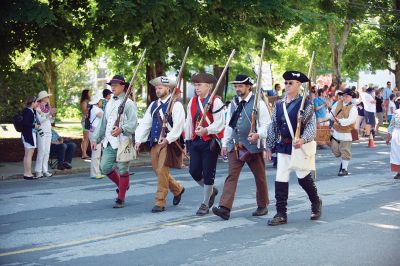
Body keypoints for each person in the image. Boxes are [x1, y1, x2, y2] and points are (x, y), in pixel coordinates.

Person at [265, 71, 322, 226]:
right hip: (283, 146)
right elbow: (273, 127)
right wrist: (269, 146)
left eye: (291, 83)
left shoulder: (306, 104)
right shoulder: (278, 104)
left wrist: (303, 139)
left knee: (304, 179)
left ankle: (316, 203)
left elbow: (311, 126)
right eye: (286, 83)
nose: (287, 85)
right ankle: (281, 213)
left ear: (299, 85)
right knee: (280, 179)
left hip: (298, 147)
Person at [212, 74, 270, 220]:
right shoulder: (234, 103)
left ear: (248, 86)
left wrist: (258, 134)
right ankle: (224, 208)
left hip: (252, 146)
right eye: (236, 86)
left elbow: (266, 125)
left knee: (260, 177)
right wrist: (225, 143)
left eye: (241, 86)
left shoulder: (258, 103)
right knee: (232, 176)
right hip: (236, 146)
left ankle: (262, 205)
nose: (238, 89)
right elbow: (229, 125)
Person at [135, 76, 185, 213]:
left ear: (168, 89)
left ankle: (160, 201)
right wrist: (138, 139)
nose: (158, 90)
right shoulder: (153, 105)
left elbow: (179, 126)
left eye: (160, 87)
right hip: (154, 142)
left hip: (168, 143)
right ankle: (178, 189)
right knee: (158, 171)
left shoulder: (176, 104)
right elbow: (145, 123)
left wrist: (169, 138)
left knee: (162, 170)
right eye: (156, 88)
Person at [91, 75, 138, 208]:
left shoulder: (129, 104)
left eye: (116, 85)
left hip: (123, 141)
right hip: (109, 141)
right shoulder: (110, 102)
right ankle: (122, 185)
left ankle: (121, 198)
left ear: (123, 87)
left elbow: (133, 124)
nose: (113, 87)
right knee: (104, 167)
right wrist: (96, 138)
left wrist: (122, 129)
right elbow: (103, 123)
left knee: (123, 170)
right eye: (112, 85)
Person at [184, 73, 225, 215]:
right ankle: (211, 191)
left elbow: (220, 123)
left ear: (209, 86)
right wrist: (187, 140)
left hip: (210, 142)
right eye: (195, 85)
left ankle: (205, 203)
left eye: (199, 85)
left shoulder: (216, 101)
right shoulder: (192, 101)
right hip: (196, 141)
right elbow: (188, 121)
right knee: (194, 171)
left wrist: (207, 130)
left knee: (208, 173)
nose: (196, 88)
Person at [329, 89, 358, 176]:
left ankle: (344, 169)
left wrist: (340, 121)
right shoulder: (338, 103)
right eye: (343, 96)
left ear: (350, 97)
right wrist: (329, 118)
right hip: (336, 132)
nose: (344, 97)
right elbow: (332, 114)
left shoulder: (353, 108)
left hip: (347, 133)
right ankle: (343, 164)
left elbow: (351, 120)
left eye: (347, 96)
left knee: (345, 151)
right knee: (335, 151)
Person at [35, 91, 55, 178]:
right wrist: (49, 114)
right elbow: (40, 120)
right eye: (47, 97)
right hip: (41, 131)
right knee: (41, 151)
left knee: (47, 152)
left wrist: (52, 115)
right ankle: (38, 171)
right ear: (42, 98)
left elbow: (51, 121)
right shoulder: (38, 108)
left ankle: (45, 170)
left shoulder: (47, 108)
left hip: (48, 131)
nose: (48, 98)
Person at [22, 96, 40, 180]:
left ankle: (27, 173)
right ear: (32, 103)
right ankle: (28, 173)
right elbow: (25, 124)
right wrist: (34, 125)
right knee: (29, 153)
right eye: (36, 102)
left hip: (30, 134)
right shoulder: (27, 111)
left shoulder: (32, 111)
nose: (38, 103)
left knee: (28, 154)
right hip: (28, 134)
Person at [88, 94, 104, 179]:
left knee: (97, 154)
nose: (102, 102)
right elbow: (103, 116)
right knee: (96, 154)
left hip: (96, 133)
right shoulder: (95, 109)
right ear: (98, 102)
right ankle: (94, 173)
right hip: (95, 134)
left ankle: (97, 172)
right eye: (101, 100)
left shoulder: (96, 108)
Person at [386, 108, 400, 179]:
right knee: (397, 154)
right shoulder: (396, 112)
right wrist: (388, 136)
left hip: (397, 134)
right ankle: (399, 172)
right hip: (397, 134)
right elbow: (392, 124)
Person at [80, 89, 91, 159]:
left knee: (86, 138)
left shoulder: (87, 101)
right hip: (85, 121)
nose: (91, 94)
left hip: (88, 120)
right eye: (89, 93)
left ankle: (85, 153)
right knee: (86, 138)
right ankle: (84, 154)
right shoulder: (84, 102)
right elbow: (84, 111)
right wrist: (90, 108)